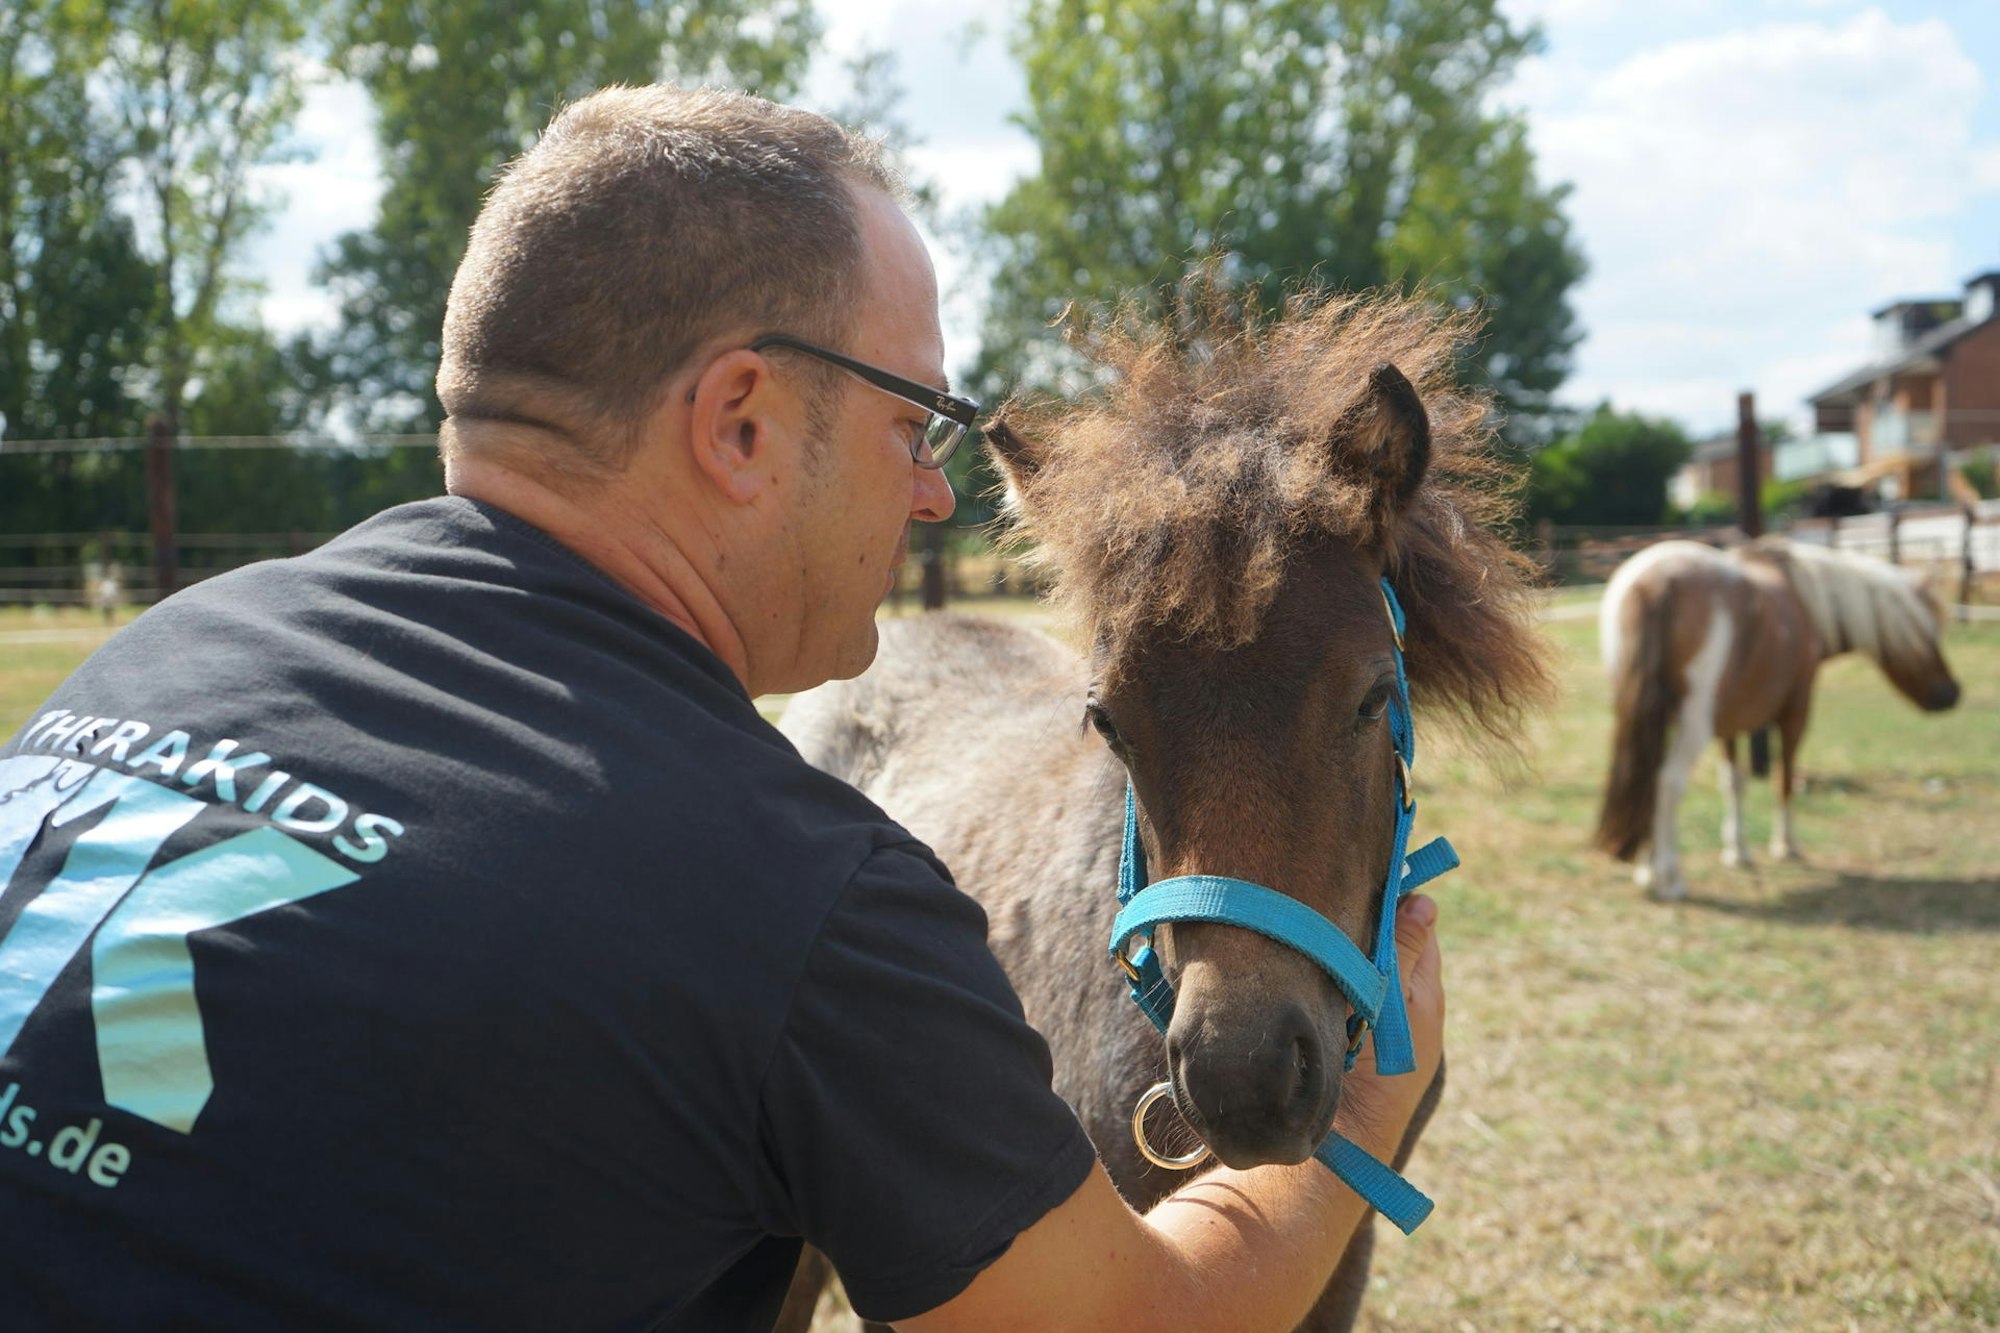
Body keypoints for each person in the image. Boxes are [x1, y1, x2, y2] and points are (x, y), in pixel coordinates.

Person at [0, 85, 1445, 1330]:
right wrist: (1371, 1111)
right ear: (741, 423)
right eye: (911, 423)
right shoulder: (784, 895)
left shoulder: (158, 655)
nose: (941, 490)